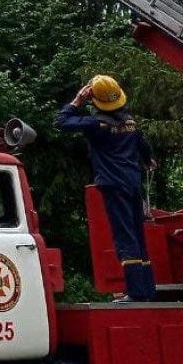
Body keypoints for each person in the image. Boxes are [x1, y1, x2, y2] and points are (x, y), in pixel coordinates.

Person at [55, 75, 157, 302]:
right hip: (132, 182)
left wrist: (77, 101)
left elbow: (61, 122)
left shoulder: (96, 124)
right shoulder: (129, 121)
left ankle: (136, 293)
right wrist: (149, 160)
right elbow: (142, 145)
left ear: (95, 99)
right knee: (138, 235)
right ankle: (147, 289)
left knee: (124, 237)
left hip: (113, 184)